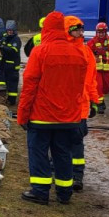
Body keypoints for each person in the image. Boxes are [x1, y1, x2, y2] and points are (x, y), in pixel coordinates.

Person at [17, 12, 90, 205]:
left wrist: (23, 116)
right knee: (63, 153)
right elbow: (80, 88)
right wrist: (79, 116)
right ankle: (64, 193)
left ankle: (40, 191)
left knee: (39, 153)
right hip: (68, 118)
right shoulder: (79, 53)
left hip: (42, 117)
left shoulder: (40, 52)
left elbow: (29, 86)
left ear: (46, 29)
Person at [64, 16, 100, 192]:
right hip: (63, 106)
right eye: (77, 29)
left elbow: (91, 80)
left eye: (82, 29)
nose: (81, 32)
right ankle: (61, 172)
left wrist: (95, 101)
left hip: (81, 106)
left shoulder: (86, 52)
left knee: (77, 142)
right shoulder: (62, 50)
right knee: (61, 142)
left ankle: (77, 176)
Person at [87, 22, 109, 114]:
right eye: (99, 32)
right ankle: (100, 104)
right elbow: (87, 54)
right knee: (99, 86)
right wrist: (94, 57)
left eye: (102, 32)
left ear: (106, 32)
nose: (101, 34)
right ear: (96, 32)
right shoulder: (92, 42)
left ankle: (101, 100)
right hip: (97, 69)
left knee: (107, 87)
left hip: (108, 69)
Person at [0, 20, 22, 107]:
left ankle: (12, 101)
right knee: (8, 84)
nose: (9, 32)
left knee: (13, 85)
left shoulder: (16, 39)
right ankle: (9, 99)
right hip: (6, 65)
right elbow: (2, 45)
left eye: (11, 30)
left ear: (14, 30)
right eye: (8, 30)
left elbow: (13, 51)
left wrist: (2, 46)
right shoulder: (6, 38)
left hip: (13, 66)